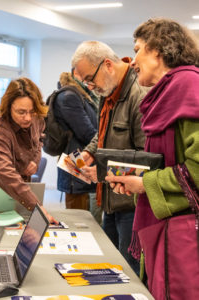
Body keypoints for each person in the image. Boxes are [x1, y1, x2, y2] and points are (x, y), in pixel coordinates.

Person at [105, 18, 199, 300]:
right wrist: (134, 178)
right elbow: (170, 160)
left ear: (157, 49)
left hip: (184, 235)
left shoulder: (188, 87)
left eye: (138, 49)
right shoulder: (172, 88)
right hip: (170, 228)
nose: (132, 61)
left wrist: (144, 184)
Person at [71, 41, 148, 274]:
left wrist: (104, 172)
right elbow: (103, 134)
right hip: (110, 200)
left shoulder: (140, 95)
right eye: (84, 81)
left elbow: (148, 159)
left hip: (131, 205)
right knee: (110, 268)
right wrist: (88, 153)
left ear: (107, 65)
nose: (89, 86)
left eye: (89, 79)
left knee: (129, 273)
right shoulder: (108, 89)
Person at [0, 77, 57, 223]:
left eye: (31, 111)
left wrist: (35, 161)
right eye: (21, 112)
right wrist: (38, 207)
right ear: (9, 107)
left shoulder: (37, 118)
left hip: (18, 196)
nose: (28, 118)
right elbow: (4, 172)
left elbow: (39, 141)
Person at [54, 68, 98, 210]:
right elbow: (86, 132)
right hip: (75, 158)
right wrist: (103, 139)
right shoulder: (69, 96)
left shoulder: (80, 95)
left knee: (84, 214)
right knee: (79, 218)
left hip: (79, 156)